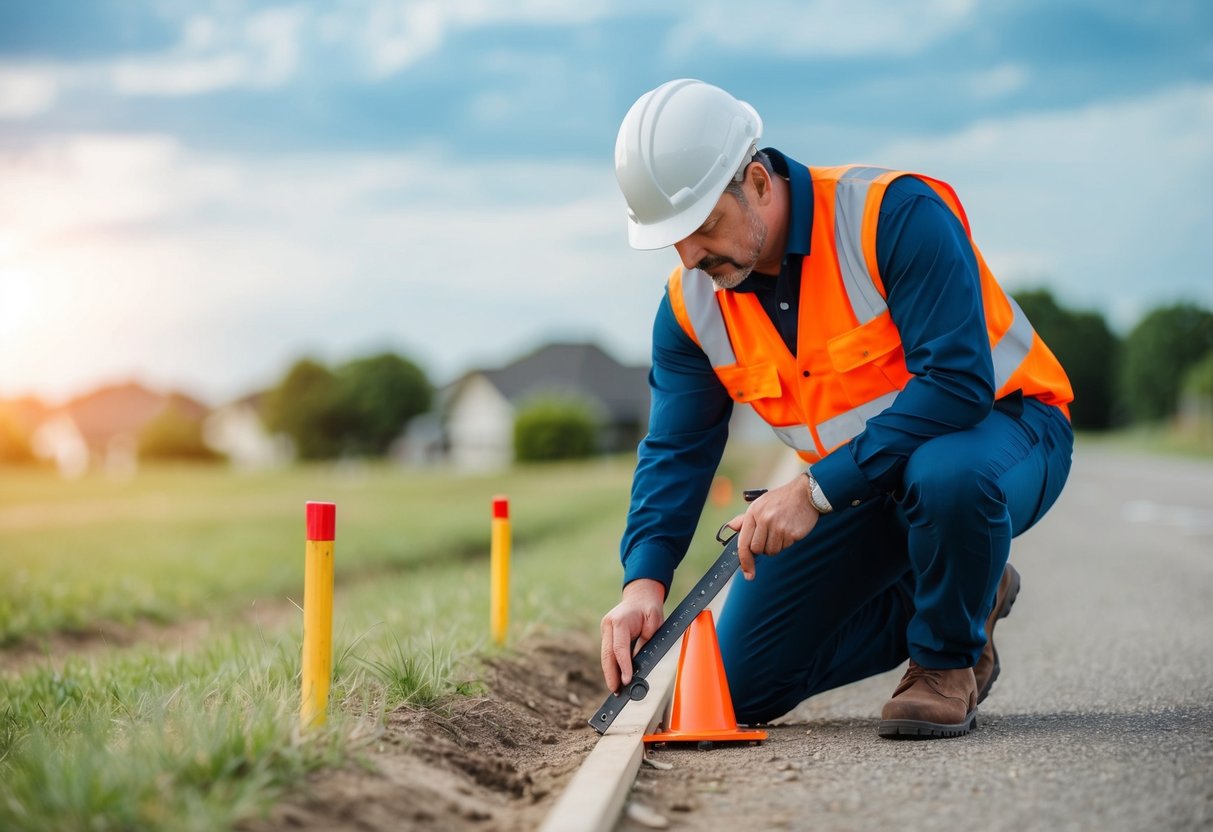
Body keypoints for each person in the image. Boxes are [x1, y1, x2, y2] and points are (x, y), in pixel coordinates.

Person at [599, 79, 1074, 739]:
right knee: (741, 685)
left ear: (758, 182)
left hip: (1003, 432)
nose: (690, 257)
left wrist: (813, 492)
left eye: (704, 225)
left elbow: (957, 384)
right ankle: (966, 586)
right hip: (863, 483)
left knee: (946, 477)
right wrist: (642, 583)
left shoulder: (891, 214)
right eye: (671, 240)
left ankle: (944, 662)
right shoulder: (689, 308)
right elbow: (676, 450)